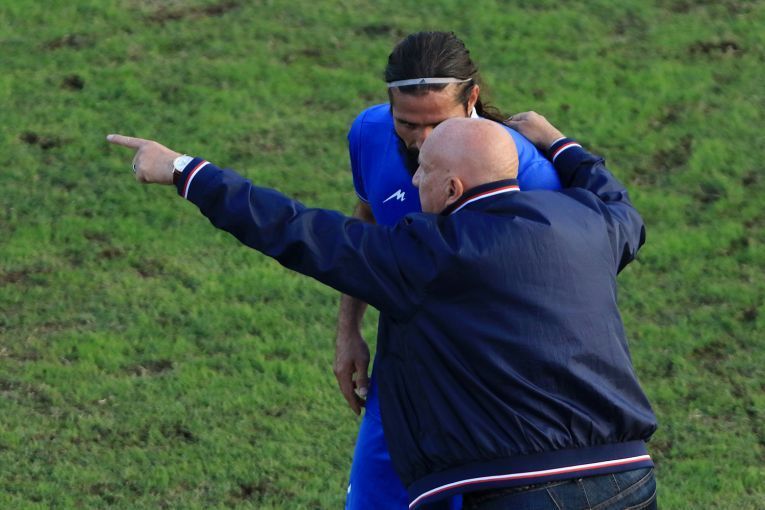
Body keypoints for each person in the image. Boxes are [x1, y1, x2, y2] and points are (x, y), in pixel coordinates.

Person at [107, 112, 658, 510]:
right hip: (629, 477)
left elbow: (294, 229)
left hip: (517, 491)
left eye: (423, 171)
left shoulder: (427, 254)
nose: (412, 180)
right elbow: (618, 202)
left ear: (452, 186)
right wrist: (558, 141)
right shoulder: (589, 223)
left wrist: (183, 169)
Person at [337, 31, 561, 508]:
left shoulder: (529, 173)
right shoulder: (369, 133)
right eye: (407, 124)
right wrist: (348, 329)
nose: (421, 142)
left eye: (437, 125)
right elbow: (368, 226)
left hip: (490, 393)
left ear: (471, 98)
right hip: (403, 377)